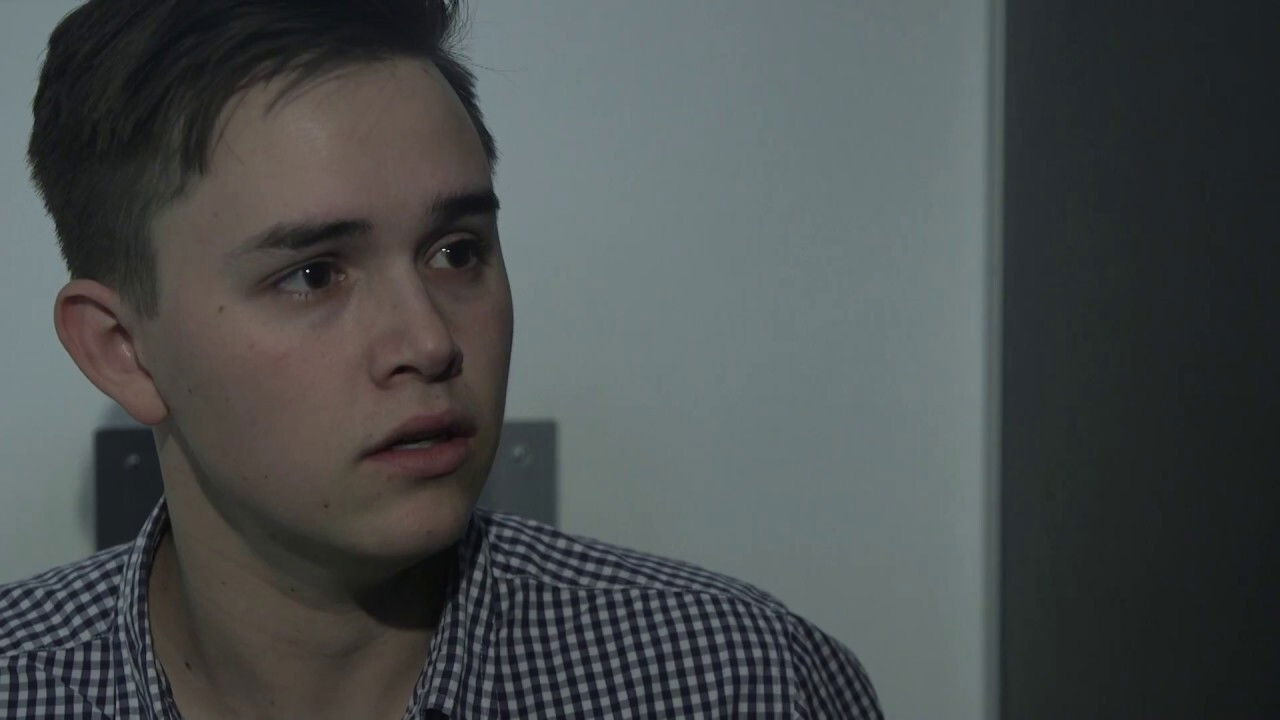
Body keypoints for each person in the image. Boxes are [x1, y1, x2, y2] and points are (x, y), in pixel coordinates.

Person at [0, 1, 883, 717]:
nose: (429, 342)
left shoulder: (740, 682)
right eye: (313, 275)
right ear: (122, 352)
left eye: (456, 252)